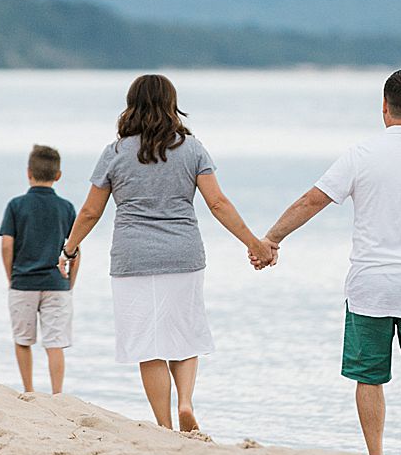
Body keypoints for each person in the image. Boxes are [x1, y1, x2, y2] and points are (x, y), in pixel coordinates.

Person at [252, 67, 401, 455]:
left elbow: (311, 201)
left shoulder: (361, 154)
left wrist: (271, 239)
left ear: (385, 110)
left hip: (370, 286)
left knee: (369, 377)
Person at [62, 74, 275, 432]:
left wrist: (69, 248)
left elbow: (89, 211)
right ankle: (186, 402)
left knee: (148, 346)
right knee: (184, 335)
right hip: (183, 254)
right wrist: (253, 243)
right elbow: (218, 203)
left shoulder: (115, 153)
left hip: (133, 259)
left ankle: (164, 425)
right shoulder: (191, 148)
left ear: (132, 105)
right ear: (171, 104)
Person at [0, 145, 79, 395]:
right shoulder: (66, 208)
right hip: (57, 284)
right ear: (58, 176)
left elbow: (6, 244)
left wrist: (10, 276)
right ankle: (57, 394)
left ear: (28, 173)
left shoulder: (16, 205)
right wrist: (70, 282)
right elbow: (74, 248)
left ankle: (29, 390)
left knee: (23, 340)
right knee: (55, 343)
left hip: (23, 282)